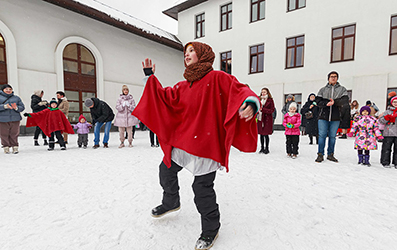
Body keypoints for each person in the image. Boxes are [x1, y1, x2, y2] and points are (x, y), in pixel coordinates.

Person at [132, 42, 259, 250]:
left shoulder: (218, 78)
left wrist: (251, 103)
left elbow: (241, 89)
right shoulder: (183, 85)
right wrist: (150, 77)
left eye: (192, 51)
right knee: (165, 170)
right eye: (185, 52)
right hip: (184, 141)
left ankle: (210, 229)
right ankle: (171, 201)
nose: (187, 54)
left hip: (206, 145)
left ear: (203, 55)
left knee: (202, 190)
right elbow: (162, 98)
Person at [315, 71, 349, 163]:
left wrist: (334, 102)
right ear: (328, 78)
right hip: (323, 116)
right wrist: (326, 103)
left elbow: (345, 101)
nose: (333, 78)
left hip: (336, 117)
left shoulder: (342, 89)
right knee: (322, 136)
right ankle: (320, 154)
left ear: (337, 78)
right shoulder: (323, 90)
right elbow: (317, 101)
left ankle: (331, 154)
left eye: (335, 76)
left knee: (332, 136)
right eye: (331, 76)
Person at [0, 84, 25, 154]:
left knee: (14, 133)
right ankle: (6, 147)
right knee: (4, 134)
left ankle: (15, 146)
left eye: (10, 89)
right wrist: (4, 106)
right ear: (3, 90)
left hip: (15, 118)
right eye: (6, 89)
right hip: (2, 119)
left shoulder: (16, 98)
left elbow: (22, 107)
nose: (8, 91)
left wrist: (16, 108)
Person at [378, 96, 397, 168]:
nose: (396, 104)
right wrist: (387, 117)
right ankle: (385, 162)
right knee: (386, 148)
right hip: (388, 132)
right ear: (391, 103)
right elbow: (381, 121)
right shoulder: (387, 111)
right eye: (394, 102)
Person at [257, 87, 275, 154]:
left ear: (267, 93)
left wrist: (263, 110)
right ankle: (262, 148)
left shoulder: (270, 100)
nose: (263, 93)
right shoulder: (259, 100)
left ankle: (267, 148)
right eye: (262, 92)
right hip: (260, 118)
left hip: (267, 119)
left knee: (266, 134)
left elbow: (272, 110)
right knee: (261, 134)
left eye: (264, 92)